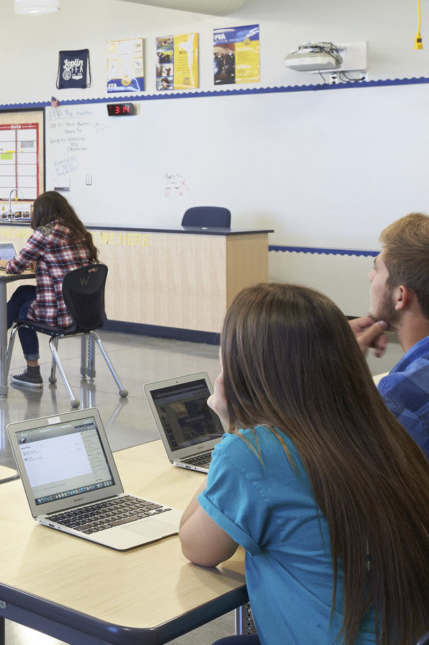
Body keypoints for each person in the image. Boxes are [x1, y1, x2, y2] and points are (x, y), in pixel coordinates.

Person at [179, 283, 429, 645]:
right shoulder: (382, 428)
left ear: (241, 363)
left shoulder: (256, 452)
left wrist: (233, 432)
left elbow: (197, 548)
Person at [0, 190, 98, 389]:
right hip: (84, 309)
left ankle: (28, 368)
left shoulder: (46, 232)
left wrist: (7, 263)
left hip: (61, 312)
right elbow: (63, 263)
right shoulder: (78, 231)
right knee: (23, 292)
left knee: (24, 314)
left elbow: (15, 267)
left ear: (42, 212)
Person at [351, 212, 429, 460]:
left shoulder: (401, 397)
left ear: (400, 295)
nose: (370, 276)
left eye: (377, 269)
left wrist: (341, 368)